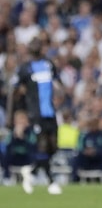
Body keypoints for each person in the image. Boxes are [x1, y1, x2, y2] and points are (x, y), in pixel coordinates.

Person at [13, 37, 63, 194]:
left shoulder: (49, 65)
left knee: (53, 146)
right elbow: (15, 91)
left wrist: (61, 96)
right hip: (35, 112)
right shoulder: (25, 68)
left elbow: (58, 83)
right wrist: (15, 115)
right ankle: (51, 181)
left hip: (50, 111)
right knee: (42, 145)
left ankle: (32, 171)